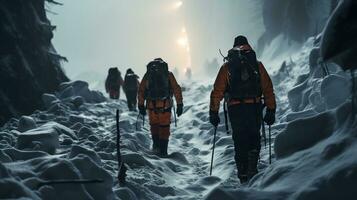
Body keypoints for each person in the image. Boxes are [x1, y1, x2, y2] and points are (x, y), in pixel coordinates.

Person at [209, 35, 276, 183]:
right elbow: (268, 88)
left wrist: (213, 112)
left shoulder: (227, 67)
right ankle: (252, 165)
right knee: (254, 136)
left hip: (236, 109)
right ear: (248, 46)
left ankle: (243, 173)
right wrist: (271, 110)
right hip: (254, 106)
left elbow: (217, 91)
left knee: (239, 139)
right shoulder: (257, 65)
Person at [138, 58, 183, 157]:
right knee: (164, 128)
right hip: (165, 105)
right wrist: (180, 104)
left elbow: (141, 90)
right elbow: (176, 89)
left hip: (151, 106)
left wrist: (140, 105)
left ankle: (156, 146)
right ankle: (163, 151)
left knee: (154, 126)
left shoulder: (148, 75)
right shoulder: (168, 74)